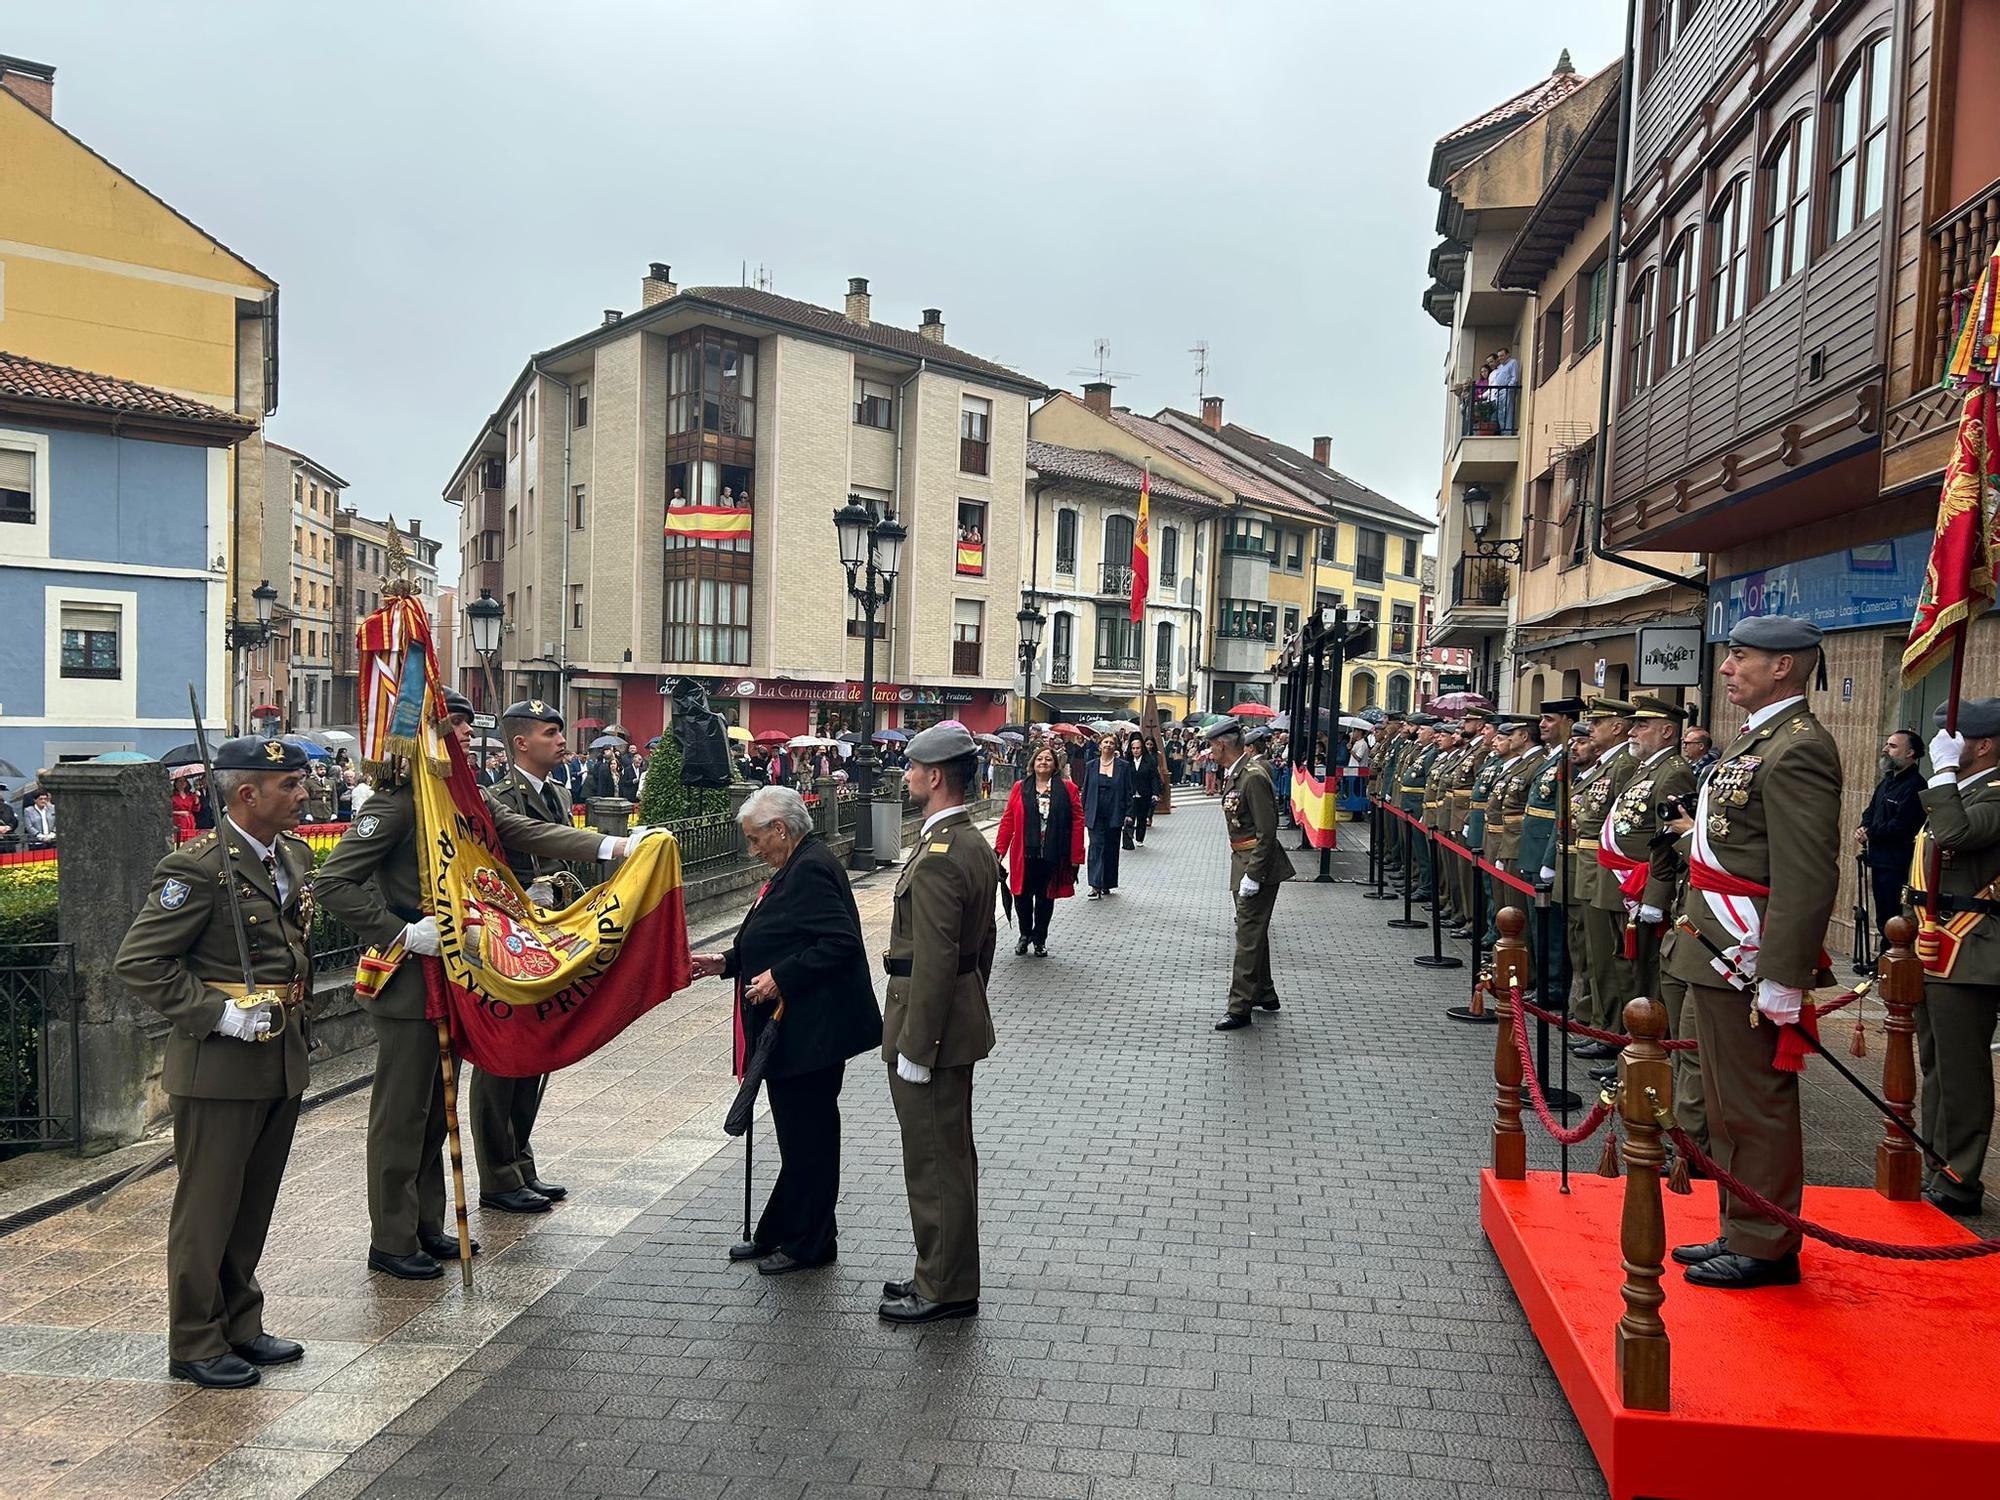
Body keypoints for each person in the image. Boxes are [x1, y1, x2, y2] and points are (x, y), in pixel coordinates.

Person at [316, 693, 650, 1278]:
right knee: (402, 1114)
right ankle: (391, 1239)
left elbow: (528, 832)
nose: (466, 740)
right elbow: (333, 883)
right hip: (410, 980)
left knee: (431, 1112)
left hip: (459, 971)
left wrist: (616, 845)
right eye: (454, 731)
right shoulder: (397, 808)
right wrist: (399, 932)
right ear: (424, 742)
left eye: (468, 732)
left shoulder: (458, 802)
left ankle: (425, 1225)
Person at [113, 735, 314, 1387]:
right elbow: (140, 962)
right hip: (220, 1064)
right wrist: (218, 1013)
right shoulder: (199, 867)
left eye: (303, 781)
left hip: (280, 1053)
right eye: (289, 785)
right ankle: (195, 1341)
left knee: (252, 1203)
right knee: (208, 1208)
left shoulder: (292, 857)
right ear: (247, 793)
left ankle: (240, 1323)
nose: (303, 793)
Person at [1664, 615, 1840, 1291]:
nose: (1728, 666)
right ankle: (1743, 1225)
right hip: (1713, 948)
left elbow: (1807, 871)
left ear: (1784, 667)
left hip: (1747, 951)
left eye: (1743, 656)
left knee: (1755, 1102)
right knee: (1724, 1101)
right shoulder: (1759, 739)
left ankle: (1767, 1244)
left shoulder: (1799, 747)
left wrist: (1783, 976)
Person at [690, 787, 881, 1272]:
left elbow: (839, 943)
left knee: (810, 1139)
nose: (754, 851)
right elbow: (780, 936)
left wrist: (781, 977)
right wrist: (728, 962)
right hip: (795, 1030)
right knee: (797, 1137)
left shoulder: (812, 867)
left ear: (780, 828)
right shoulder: (795, 865)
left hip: (812, 1032)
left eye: (757, 839)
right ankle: (780, 1229)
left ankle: (812, 1243)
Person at [879, 722, 998, 1324]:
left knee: (934, 1159)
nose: (906, 776)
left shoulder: (940, 858)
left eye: (912, 768)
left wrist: (918, 1045)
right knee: (948, 1154)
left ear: (937, 777)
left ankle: (945, 1287)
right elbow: (983, 948)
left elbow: (934, 961)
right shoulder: (970, 844)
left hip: (930, 1028)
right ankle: (940, 1270)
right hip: (954, 1020)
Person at [1907, 698, 2000, 1217]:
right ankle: (1937, 1164)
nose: (1944, 744)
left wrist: (1942, 772)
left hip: (1971, 949)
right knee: (1936, 1065)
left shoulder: (1992, 792)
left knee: (1961, 1071)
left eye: (1954, 739)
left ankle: (1960, 1177)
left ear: (1982, 745)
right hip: (1935, 944)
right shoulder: (1959, 790)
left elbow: (1956, 835)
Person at [1600, 696, 1695, 1003]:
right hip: (1624, 881)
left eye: (1641, 725)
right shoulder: (1649, 767)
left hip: (1641, 886)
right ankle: (1625, 1034)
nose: (1631, 732)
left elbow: (1668, 838)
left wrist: (1655, 897)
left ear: (1666, 732)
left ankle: (1644, 1039)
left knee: (1643, 969)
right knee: (1624, 965)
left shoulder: (1674, 771)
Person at [1212, 720, 1292, 1030]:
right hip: (1243, 860)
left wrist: (1254, 875)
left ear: (1223, 744)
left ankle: (1239, 1007)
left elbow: (1266, 831)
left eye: (1213, 745)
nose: (1210, 751)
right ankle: (1265, 993)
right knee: (1253, 931)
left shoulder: (1253, 777)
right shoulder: (1238, 775)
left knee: (1246, 936)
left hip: (1257, 865)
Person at [993, 744, 1084, 957]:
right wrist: (999, 850)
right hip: (1024, 853)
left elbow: (1078, 821)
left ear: (1055, 765)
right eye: (1040, 759)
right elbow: (1008, 820)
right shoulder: (1020, 787)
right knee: (1022, 896)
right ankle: (1025, 935)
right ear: (1033, 763)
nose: (1043, 762)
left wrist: (1076, 854)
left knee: (1045, 897)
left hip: (1052, 851)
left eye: (1048, 760)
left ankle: (1040, 938)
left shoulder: (1068, 788)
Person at [1858, 729, 1926, 943]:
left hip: (1897, 863)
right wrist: (1863, 827)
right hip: (1879, 859)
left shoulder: (1915, 785)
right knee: (1883, 915)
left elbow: (1903, 825)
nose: (1886, 749)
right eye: (1887, 744)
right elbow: (1871, 810)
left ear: (1910, 753)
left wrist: (1872, 832)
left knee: (1894, 916)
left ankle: (1891, 963)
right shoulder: (1888, 781)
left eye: (1893, 746)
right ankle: (1883, 962)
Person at [1079, 734, 1131, 898]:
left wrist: (1129, 813)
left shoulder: (1123, 766)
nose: (1108, 745)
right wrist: (1081, 812)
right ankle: (1095, 884)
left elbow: (1128, 791)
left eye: (1112, 743)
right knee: (1095, 847)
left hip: (1115, 810)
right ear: (1100, 745)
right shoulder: (1091, 765)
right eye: (1105, 742)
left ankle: (1107, 882)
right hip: (1095, 812)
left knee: (1110, 848)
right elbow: (1085, 790)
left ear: (1116, 747)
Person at [1125, 735, 1160, 848]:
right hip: (1130, 795)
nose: (1136, 750)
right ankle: (1128, 838)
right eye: (1133, 748)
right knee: (1130, 817)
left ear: (1142, 749)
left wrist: (1155, 793)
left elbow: (1154, 778)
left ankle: (1140, 838)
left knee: (1141, 818)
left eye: (1138, 748)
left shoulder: (1149, 762)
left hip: (1144, 794)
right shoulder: (1127, 763)